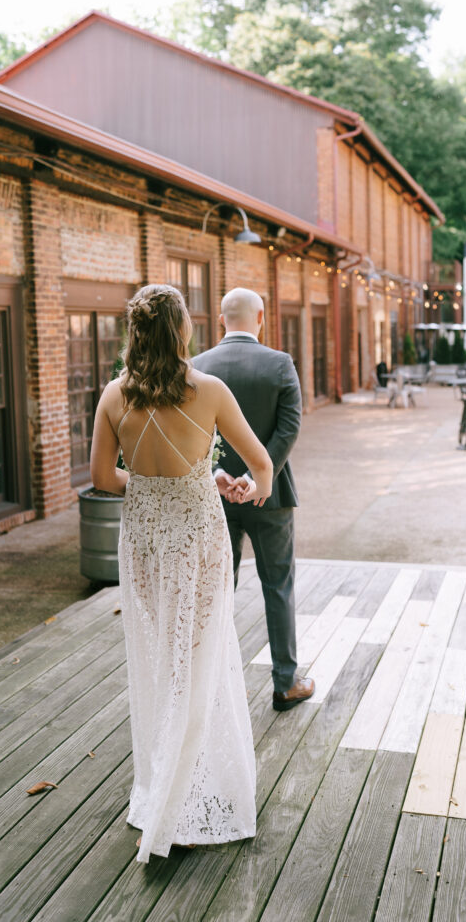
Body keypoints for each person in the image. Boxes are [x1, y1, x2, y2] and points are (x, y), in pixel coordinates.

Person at [90, 283, 273, 865]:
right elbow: (261, 464)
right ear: (182, 331)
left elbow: (101, 476)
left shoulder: (114, 397)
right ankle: (180, 808)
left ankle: (167, 790)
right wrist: (246, 485)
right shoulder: (210, 391)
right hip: (197, 540)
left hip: (144, 542)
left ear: (135, 333)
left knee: (163, 660)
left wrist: (156, 482)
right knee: (197, 661)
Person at [193, 287, 315, 712]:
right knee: (278, 586)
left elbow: (191, 437)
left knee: (215, 588)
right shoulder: (279, 364)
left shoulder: (196, 367)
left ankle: (211, 687)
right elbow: (289, 429)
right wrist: (256, 476)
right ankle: (285, 683)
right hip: (271, 493)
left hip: (213, 494)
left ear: (221, 318)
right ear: (260, 316)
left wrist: (219, 474)